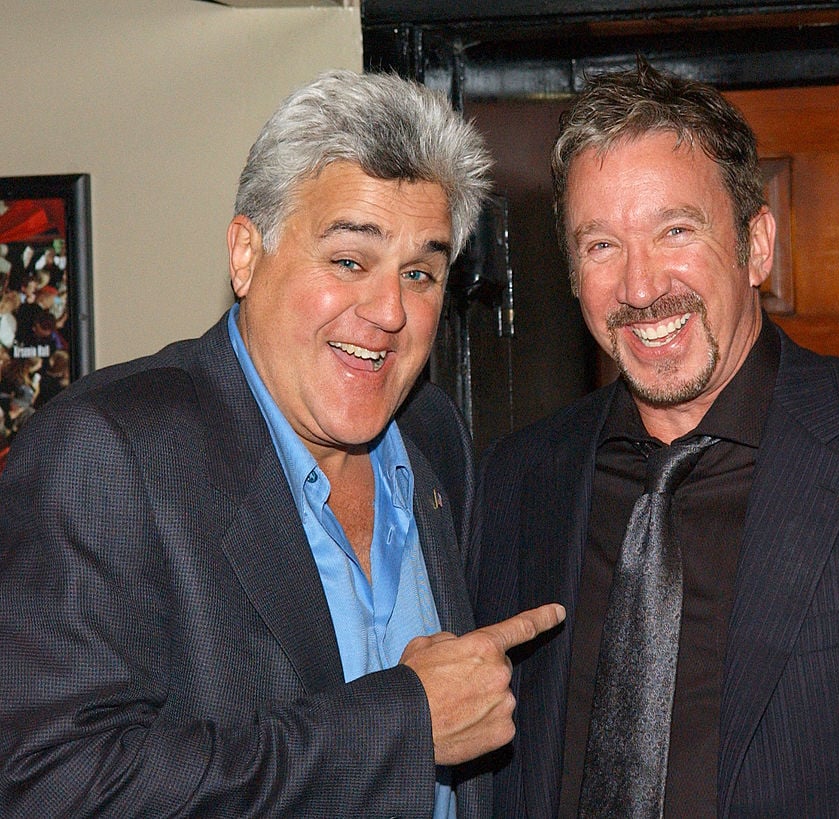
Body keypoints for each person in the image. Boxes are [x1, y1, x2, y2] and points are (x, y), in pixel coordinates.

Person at [0, 68, 564, 817]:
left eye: (421, 272)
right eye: (349, 261)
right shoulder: (105, 453)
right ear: (245, 254)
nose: (390, 310)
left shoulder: (435, 438)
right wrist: (403, 725)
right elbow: (54, 786)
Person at [469, 60, 839, 816]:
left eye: (675, 230)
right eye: (601, 246)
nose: (639, 287)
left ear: (755, 244)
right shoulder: (516, 479)